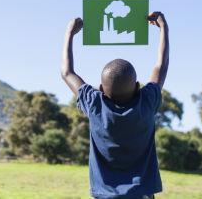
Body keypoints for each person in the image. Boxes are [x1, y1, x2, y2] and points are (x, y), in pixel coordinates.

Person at [61, 12, 169, 199]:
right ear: (137, 87)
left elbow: (67, 73)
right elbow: (161, 66)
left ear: (101, 88)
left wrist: (69, 33)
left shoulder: (95, 103)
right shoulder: (147, 101)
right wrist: (163, 29)